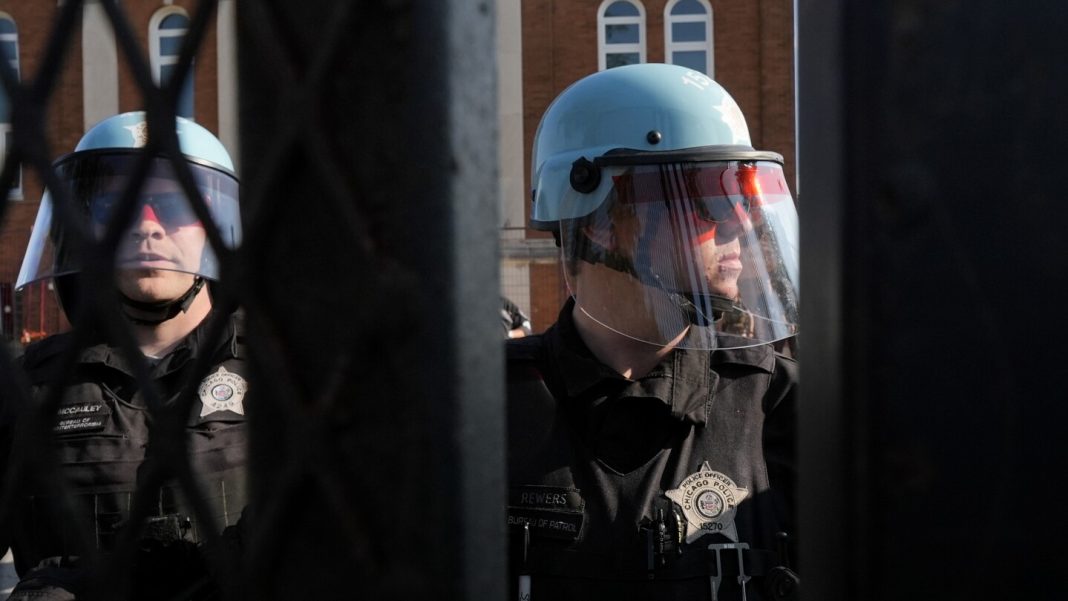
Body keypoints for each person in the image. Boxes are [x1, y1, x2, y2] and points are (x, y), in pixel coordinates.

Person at [506, 63, 800, 600]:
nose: (739, 223)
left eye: (743, 199)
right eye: (708, 197)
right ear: (598, 222)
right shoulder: (483, 412)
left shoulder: (778, 408)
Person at [0, 112, 246, 600]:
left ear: (213, 224)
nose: (147, 227)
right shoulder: (27, 387)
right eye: (119, 205)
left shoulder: (280, 374)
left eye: (174, 206)